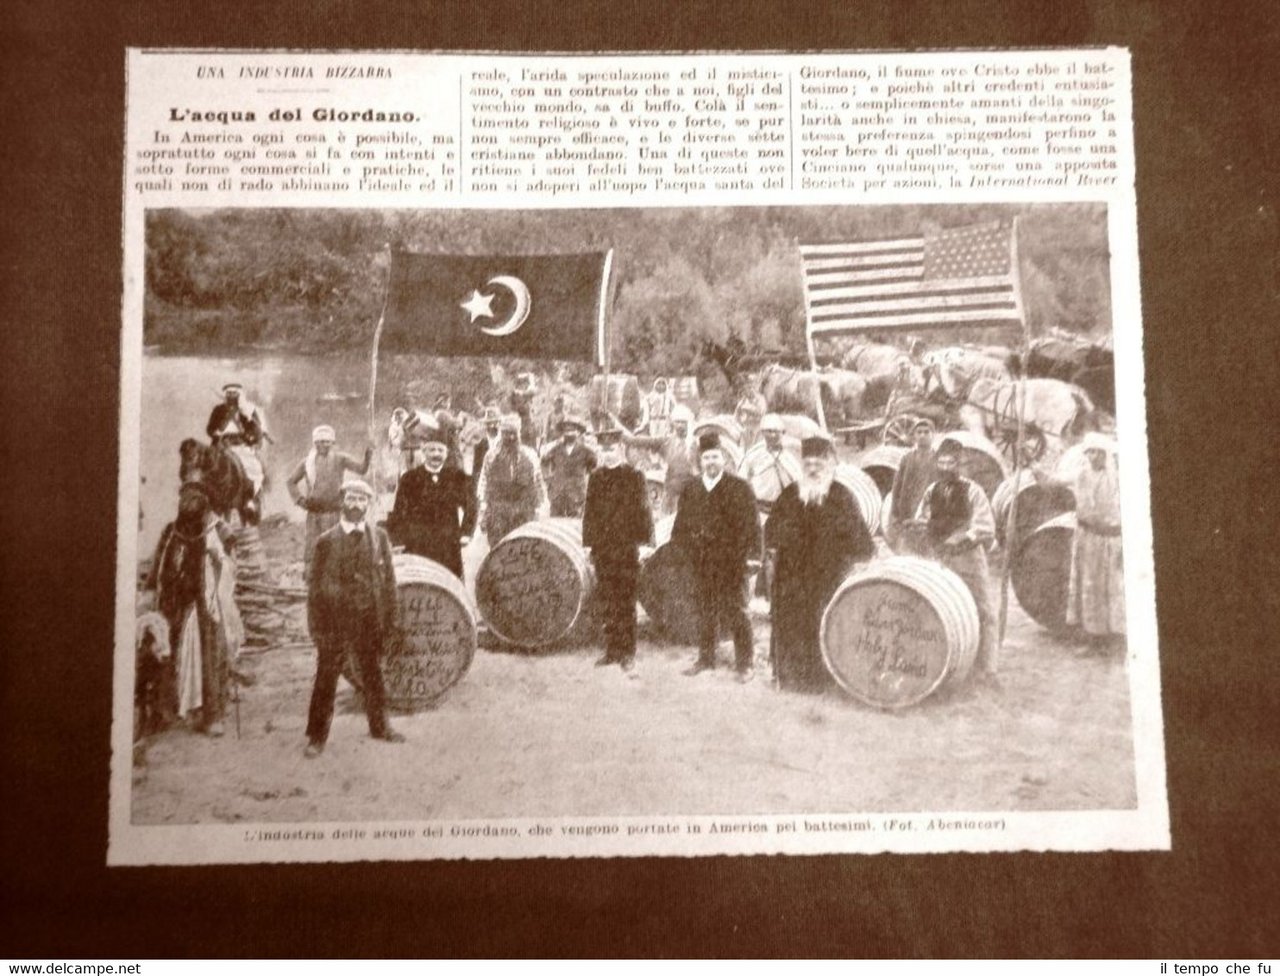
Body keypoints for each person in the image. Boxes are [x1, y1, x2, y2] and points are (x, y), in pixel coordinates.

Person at [765, 434, 875, 692]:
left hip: (828, 578)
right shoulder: (790, 495)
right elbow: (771, 531)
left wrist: (849, 566)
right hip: (792, 578)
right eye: (808, 464)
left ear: (829, 466)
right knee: (791, 625)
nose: (813, 469)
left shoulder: (842, 496)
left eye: (818, 464)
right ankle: (790, 680)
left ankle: (823, 681)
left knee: (825, 625)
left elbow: (861, 543)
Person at [304, 479, 404, 757]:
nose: (356, 504)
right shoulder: (325, 542)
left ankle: (380, 726)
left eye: (362, 500)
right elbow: (314, 591)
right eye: (351, 498)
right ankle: (316, 737)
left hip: (368, 618)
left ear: (368, 504)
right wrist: (316, 627)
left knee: (372, 674)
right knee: (326, 678)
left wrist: (391, 620)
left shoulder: (379, 537)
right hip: (335, 623)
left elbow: (389, 582)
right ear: (342, 502)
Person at [148, 481, 242, 737]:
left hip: (205, 604)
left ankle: (212, 715)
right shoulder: (171, 531)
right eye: (184, 500)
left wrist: (220, 560)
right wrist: (156, 592)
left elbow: (229, 560)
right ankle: (166, 712)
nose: (187, 504)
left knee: (209, 655)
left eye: (194, 500)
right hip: (175, 602)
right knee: (166, 653)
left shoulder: (215, 529)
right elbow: (161, 564)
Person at [672, 431, 762, 682]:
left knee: (738, 610)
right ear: (700, 461)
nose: (711, 462)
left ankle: (745, 664)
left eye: (715, 457)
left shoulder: (739, 487)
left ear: (723, 458)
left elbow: (753, 525)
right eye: (706, 458)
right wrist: (680, 554)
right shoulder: (692, 488)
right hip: (702, 561)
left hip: (732, 562)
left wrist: (754, 556)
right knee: (705, 609)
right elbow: (681, 525)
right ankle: (706, 658)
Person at [914, 437, 998, 681]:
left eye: (951, 462)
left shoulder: (973, 491)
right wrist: (921, 529)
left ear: (960, 464)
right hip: (940, 558)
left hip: (968, 558)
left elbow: (984, 526)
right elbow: (922, 517)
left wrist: (960, 539)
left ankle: (987, 667)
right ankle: (947, 661)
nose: (946, 467)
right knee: (941, 607)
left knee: (983, 610)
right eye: (942, 462)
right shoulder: (933, 490)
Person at [582, 421, 654, 674]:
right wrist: (587, 545)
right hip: (603, 551)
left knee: (626, 600)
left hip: (626, 549)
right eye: (604, 449)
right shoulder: (596, 477)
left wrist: (645, 544)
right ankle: (612, 650)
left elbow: (645, 512)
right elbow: (589, 513)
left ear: (621, 449)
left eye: (612, 448)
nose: (608, 453)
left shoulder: (634, 476)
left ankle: (628, 653)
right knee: (608, 600)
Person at [386, 418, 476, 578]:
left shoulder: (457, 477)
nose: (436, 454)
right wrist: (398, 539)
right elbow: (399, 510)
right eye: (432, 450)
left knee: (449, 583)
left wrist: (466, 532)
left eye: (440, 451)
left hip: (448, 543)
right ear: (424, 452)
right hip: (418, 543)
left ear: (446, 453)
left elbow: (471, 505)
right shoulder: (409, 478)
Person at [285, 425, 372, 578]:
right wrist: (300, 500)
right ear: (314, 443)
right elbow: (291, 481)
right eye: (319, 442)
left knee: (336, 545)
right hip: (314, 513)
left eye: (327, 442)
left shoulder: (340, 459)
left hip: (334, 512)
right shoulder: (307, 462)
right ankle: (312, 580)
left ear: (333, 443)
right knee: (313, 546)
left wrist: (368, 456)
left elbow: (361, 469)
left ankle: (337, 578)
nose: (323, 445)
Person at [1065, 432, 1125, 648]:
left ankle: (1115, 636)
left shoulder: (1118, 477)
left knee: (1113, 588)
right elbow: (1053, 482)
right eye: (1090, 452)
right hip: (1087, 537)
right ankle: (1093, 637)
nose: (1094, 456)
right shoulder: (1081, 475)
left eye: (1098, 452)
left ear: (1105, 454)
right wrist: (1030, 462)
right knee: (1089, 586)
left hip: (1111, 538)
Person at [476, 413, 548, 545]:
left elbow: (538, 483)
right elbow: (483, 483)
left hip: (523, 511)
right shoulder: (491, 456)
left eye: (513, 433)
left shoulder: (530, 455)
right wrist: (483, 511)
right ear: (501, 434)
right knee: (498, 549)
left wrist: (539, 510)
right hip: (498, 511)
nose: (510, 437)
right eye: (506, 433)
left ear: (518, 434)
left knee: (522, 548)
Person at [626, 403, 699, 515]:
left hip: (691, 496)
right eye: (677, 421)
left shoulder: (696, 445)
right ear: (672, 423)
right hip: (670, 495)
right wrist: (615, 424)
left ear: (688, 423)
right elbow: (635, 441)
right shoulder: (667, 442)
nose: (680, 425)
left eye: (683, 422)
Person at [887, 417, 939, 552]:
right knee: (907, 547)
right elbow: (897, 487)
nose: (922, 436)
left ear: (933, 435)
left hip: (929, 510)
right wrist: (895, 512)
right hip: (908, 510)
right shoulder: (907, 458)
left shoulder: (938, 459)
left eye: (926, 432)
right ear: (914, 436)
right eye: (919, 432)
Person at [737, 413, 802, 514]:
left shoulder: (792, 453)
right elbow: (741, 481)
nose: (773, 435)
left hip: (788, 511)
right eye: (769, 431)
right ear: (762, 433)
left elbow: (800, 479)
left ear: (783, 432)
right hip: (762, 511)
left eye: (776, 431)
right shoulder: (753, 455)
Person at [541, 412, 597, 518]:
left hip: (576, 495)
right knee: (556, 523)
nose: (569, 433)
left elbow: (593, 468)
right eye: (566, 431)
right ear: (563, 433)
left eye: (572, 430)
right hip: (558, 493)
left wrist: (586, 485)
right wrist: (548, 479)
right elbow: (544, 462)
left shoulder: (586, 451)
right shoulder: (555, 450)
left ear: (578, 432)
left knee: (575, 524)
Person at [206, 383, 263, 448]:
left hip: (242, 444)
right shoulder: (218, 409)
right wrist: (215, 433)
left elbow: (257, 428)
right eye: (229, 393)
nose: (231, 396)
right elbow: (209, 429)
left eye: (234, 393)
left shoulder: (248, 409)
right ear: (226, 394)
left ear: (239, 394)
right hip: (220, 443)